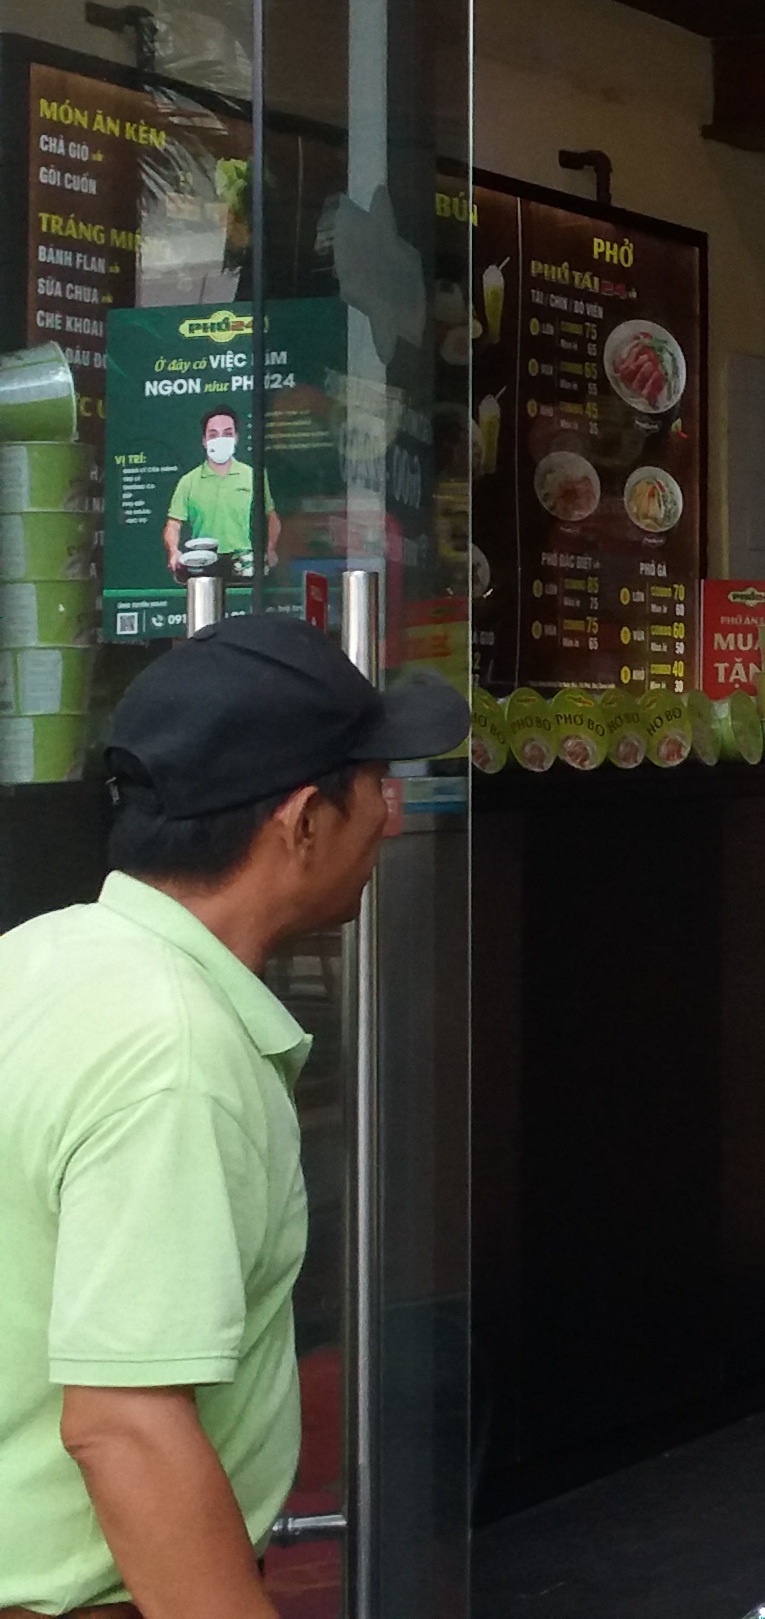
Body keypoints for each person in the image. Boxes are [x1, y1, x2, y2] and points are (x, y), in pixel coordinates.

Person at [1, 613, 463, 1619]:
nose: (390, 819)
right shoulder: (174, 1054)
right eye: (372, 787)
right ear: (301, 822)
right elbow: (124, 1428)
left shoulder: (37, 956)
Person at [160, 411, 260, 581]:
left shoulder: (252, 476)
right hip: (203, 562)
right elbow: (174, 524)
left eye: (227, 434)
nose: (220, 440)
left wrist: (270, 549)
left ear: (236, 438)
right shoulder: (188, 481)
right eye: (213, 435)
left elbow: (271, 516)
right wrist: (173, 551)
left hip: (244, 563)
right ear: (204, 441)